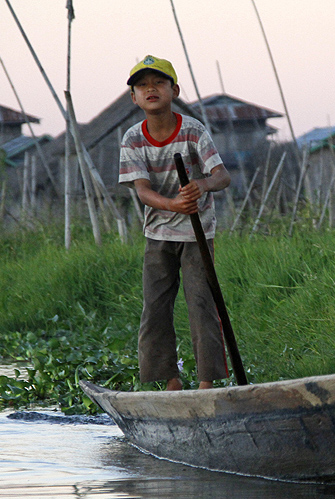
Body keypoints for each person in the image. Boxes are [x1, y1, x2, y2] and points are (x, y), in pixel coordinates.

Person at [119, 55, 231, 391]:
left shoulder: (193, 130)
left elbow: (221, 176)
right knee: (155, 308)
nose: (150, 89)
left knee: (201, 304)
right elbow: (142, 190)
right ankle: (169, 382)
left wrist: (202, 186)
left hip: (198, 233)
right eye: (142, 85)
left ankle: (207, 383)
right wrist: (173, 204)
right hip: (158, 232)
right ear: (134, 98)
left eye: (159, 83)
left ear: (174, 90)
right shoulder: (132, 138)